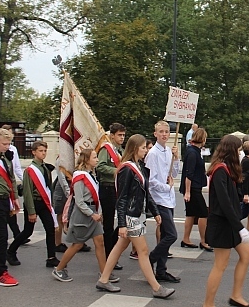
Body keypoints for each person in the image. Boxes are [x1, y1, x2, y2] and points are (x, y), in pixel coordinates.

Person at [96, 134, 175, 298]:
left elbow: (146, 193)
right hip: (131, 216)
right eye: (144, 147)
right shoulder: (127, 168)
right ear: (135, 148)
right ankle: (156, 288)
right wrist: (123, 224)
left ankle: (103, 279)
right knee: (143, 251)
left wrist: (155, 212)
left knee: (120, 246)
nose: (147, 150)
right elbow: (122, 198)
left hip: (137, 214)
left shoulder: (138, 166)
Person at [203, 134, 249, 307]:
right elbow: (224, 203)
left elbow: (233, 196)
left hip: (230, 223)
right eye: (239, 151)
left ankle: (236, 296)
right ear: (232, 151)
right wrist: (239, 227)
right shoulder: (219, 170)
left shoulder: (226, 169)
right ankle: (208, 304)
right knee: (220, 265)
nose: (240, 154)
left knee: (246, 255)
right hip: (222, 224)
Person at [52, 149, 116, 283]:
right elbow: (79, 201)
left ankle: (104, 273)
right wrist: (92, 214)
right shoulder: (80, 176)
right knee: (78, 244)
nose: (97, 159)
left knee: (100, 242)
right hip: (83, 214)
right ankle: (59, 269)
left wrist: (98, 212)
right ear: (86, 160)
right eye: (94, 157)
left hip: (93, 212)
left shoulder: (91, 175)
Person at [7, 141, 59, 268]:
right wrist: (31, 211)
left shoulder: (45, 168)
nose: (43, 153)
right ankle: (11, 251)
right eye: (41, 151)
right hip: (34, 202)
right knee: (28, 231)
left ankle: (51, 257)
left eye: (45, 151)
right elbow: (28, 192)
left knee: (50, 228)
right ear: (34, 152)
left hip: (44, 203)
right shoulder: (30, 170)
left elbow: (48, 188)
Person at [145, 120, 181, 283]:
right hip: (159, 198)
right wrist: (166, 188)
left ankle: (161, 270)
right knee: (172, 235)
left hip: (169, 198)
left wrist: (176, 157)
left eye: (166, 131)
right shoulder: (152, 154)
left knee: (167, 234)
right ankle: (150, 259)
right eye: (161, 132)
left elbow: (173, 172)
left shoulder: (168, 151)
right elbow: (151, 181)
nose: (164, 134)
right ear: (155, 134)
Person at [0, 128, 21, 286]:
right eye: (4, 143)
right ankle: (0, 273)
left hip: (5, 199)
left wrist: (14, 197)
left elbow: (12, 179)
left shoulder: (5, 157)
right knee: (2, 237)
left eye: (9, 143)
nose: (7, 146)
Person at [96, 123, 126, 270]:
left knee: (122, 219)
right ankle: (109, 257)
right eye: (119, 135)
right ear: (112, 135)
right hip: (107, 187)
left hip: (115, 187)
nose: (122, 137)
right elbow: (100, 166)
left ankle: (112, 252)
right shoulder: (106, 149)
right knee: (108, 224)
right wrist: (115, 170)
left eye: (123, 135)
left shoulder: (119, 150)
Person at [180, 128, 212, 251]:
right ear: (202, 139)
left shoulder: (193, 150)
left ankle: (186, 238)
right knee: (203, 213)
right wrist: (188, 192)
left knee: (191, 214)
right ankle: (203, 241)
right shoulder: (193, 153)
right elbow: (189, 173)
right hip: (193, 188)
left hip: (193, 187)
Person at [1, 125, 22, 241]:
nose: (7, 146)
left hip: (8, 188)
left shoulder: (13, 150)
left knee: (11, 214)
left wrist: (15, 196)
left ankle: (18, 235)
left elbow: (16, 169)